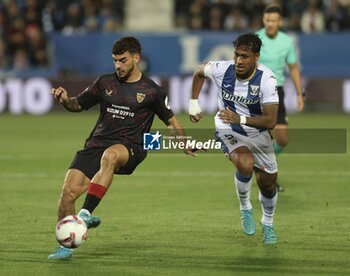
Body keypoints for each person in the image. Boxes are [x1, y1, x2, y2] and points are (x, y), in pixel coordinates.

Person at [48, 36, 197, 259]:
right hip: (96, 144)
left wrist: (184, 142)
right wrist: (65, 100)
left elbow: (172, 121)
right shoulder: (104, 83)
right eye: (115, 61)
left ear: (136, 58)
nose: (118, 65)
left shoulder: (152, 91)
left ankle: (86, 213)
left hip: (131, 147)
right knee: (67, 194)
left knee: (110, 156)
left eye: (123, 60)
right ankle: (66, 246)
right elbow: (77, 104)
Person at [189, 33, 279, 244]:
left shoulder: (267, 79)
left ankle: (268, 223)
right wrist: (194, 101)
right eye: (237, 54)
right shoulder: (222, 69)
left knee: (268, 183)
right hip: (228, 126)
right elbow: (199, 71)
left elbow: (271, 120)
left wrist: (240, 117)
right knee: (245, 164)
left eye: (245, 56)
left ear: (256, 57)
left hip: (258, 133)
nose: (239, 60)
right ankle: (245, 207)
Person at [257, 5, 305, 192]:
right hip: (258, 91)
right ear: (263, 20)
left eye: (273, 21)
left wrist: (300, 94)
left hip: (277, 91)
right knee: (263, 138)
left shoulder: (286, 41)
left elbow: (293, 68)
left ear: (280, 22)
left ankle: (261, 165)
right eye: (267, 20)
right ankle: (266, 175)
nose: (270, 24)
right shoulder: (256, 38)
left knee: (282, 139)